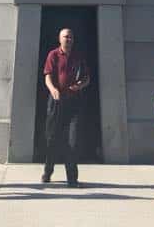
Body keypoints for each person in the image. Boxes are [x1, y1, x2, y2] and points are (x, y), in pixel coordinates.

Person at [42, 27, 90, 187]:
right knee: (52, 139)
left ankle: (72, 178)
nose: (68, 39)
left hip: (73, 103)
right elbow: (47, 77)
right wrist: (53, 89)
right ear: (59, 39)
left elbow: (86, 78)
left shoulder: (79, 57)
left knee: (72, 140)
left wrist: (80, 85)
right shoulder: (53, 55)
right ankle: (48, 171)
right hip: (56, 102)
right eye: (65, 37)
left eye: (70, 37)